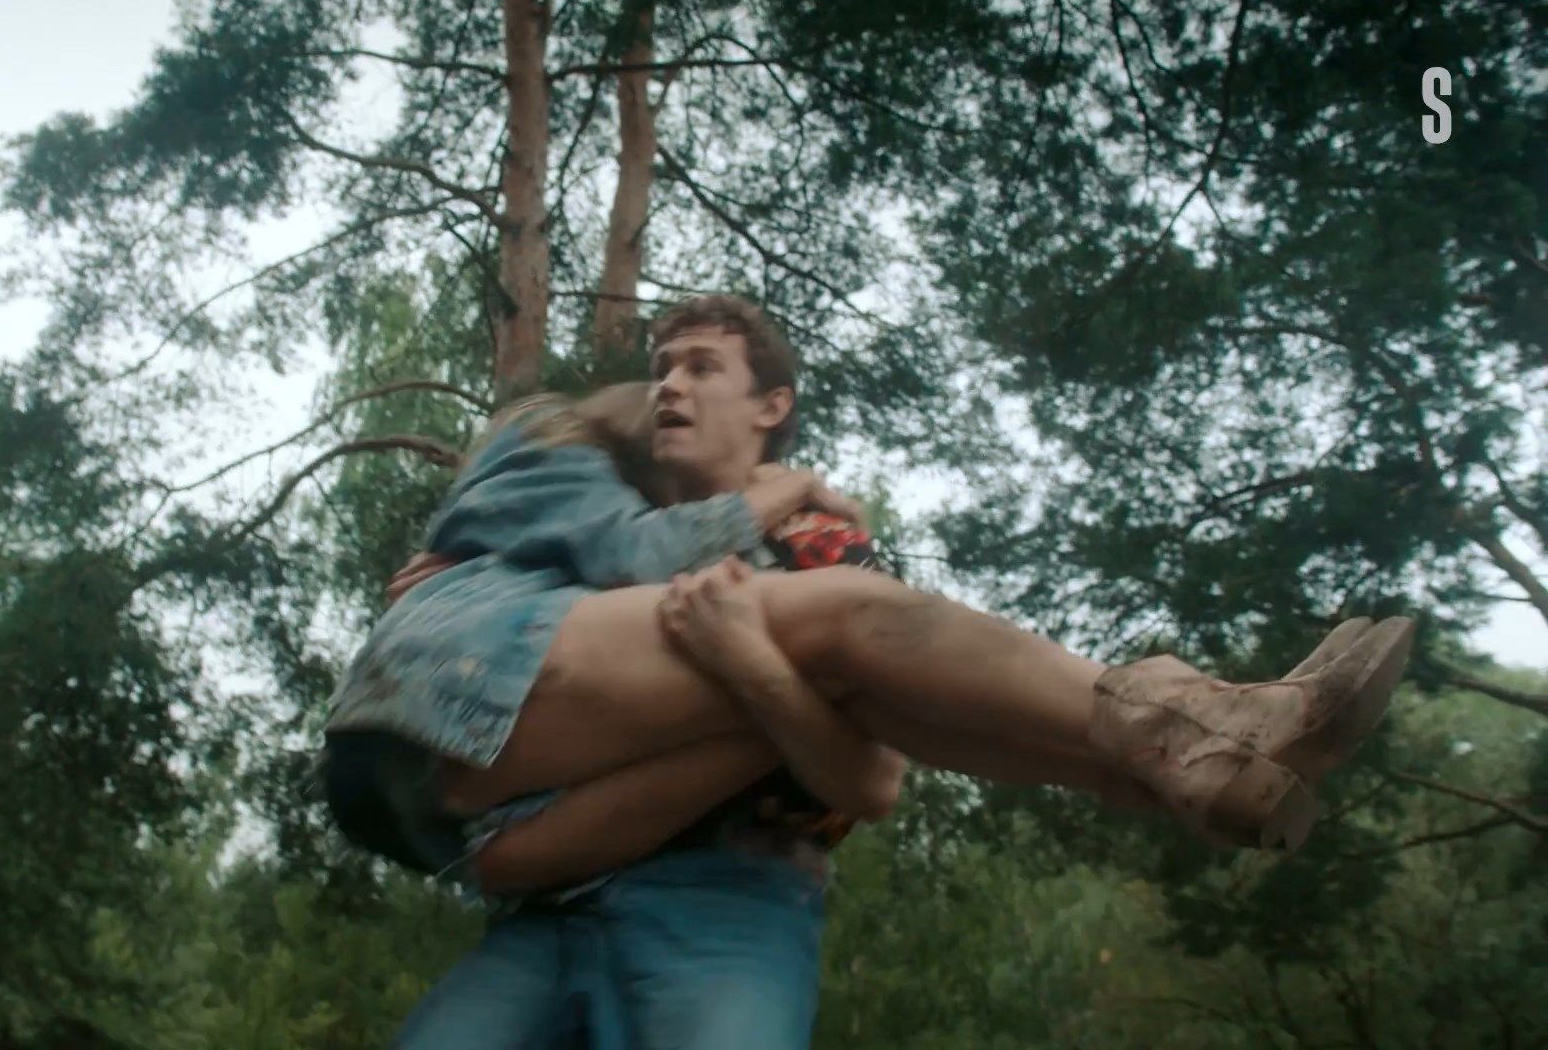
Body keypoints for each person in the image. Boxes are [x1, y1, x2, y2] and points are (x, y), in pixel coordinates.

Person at [325, 295, 1414, 1046]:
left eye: (701, 367)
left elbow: (871, 785)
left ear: (772, 406)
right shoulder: (609, 528)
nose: (667, 388)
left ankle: (1181, 742)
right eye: (658, 370)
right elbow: (505, 583)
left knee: (846, 622)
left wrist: (756, 667)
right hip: (542, 887)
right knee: (843, 640)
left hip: (727, 901)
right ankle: (1170, 747)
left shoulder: (820, 546)